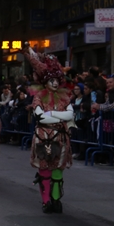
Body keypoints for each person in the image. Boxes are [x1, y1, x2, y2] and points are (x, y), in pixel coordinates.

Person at [24, 48, 74, 214]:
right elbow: (40, 117)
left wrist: (51, 113)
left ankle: (56, 199)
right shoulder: (39, 97)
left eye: (56, 80)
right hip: (43, 136)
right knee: (44, 169)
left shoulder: (64, 97)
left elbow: (70, 114)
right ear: (45, 82)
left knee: (58, 168)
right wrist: (58, 117)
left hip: (60, 136)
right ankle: (46, 201)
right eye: (51, 80)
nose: (54, 83)